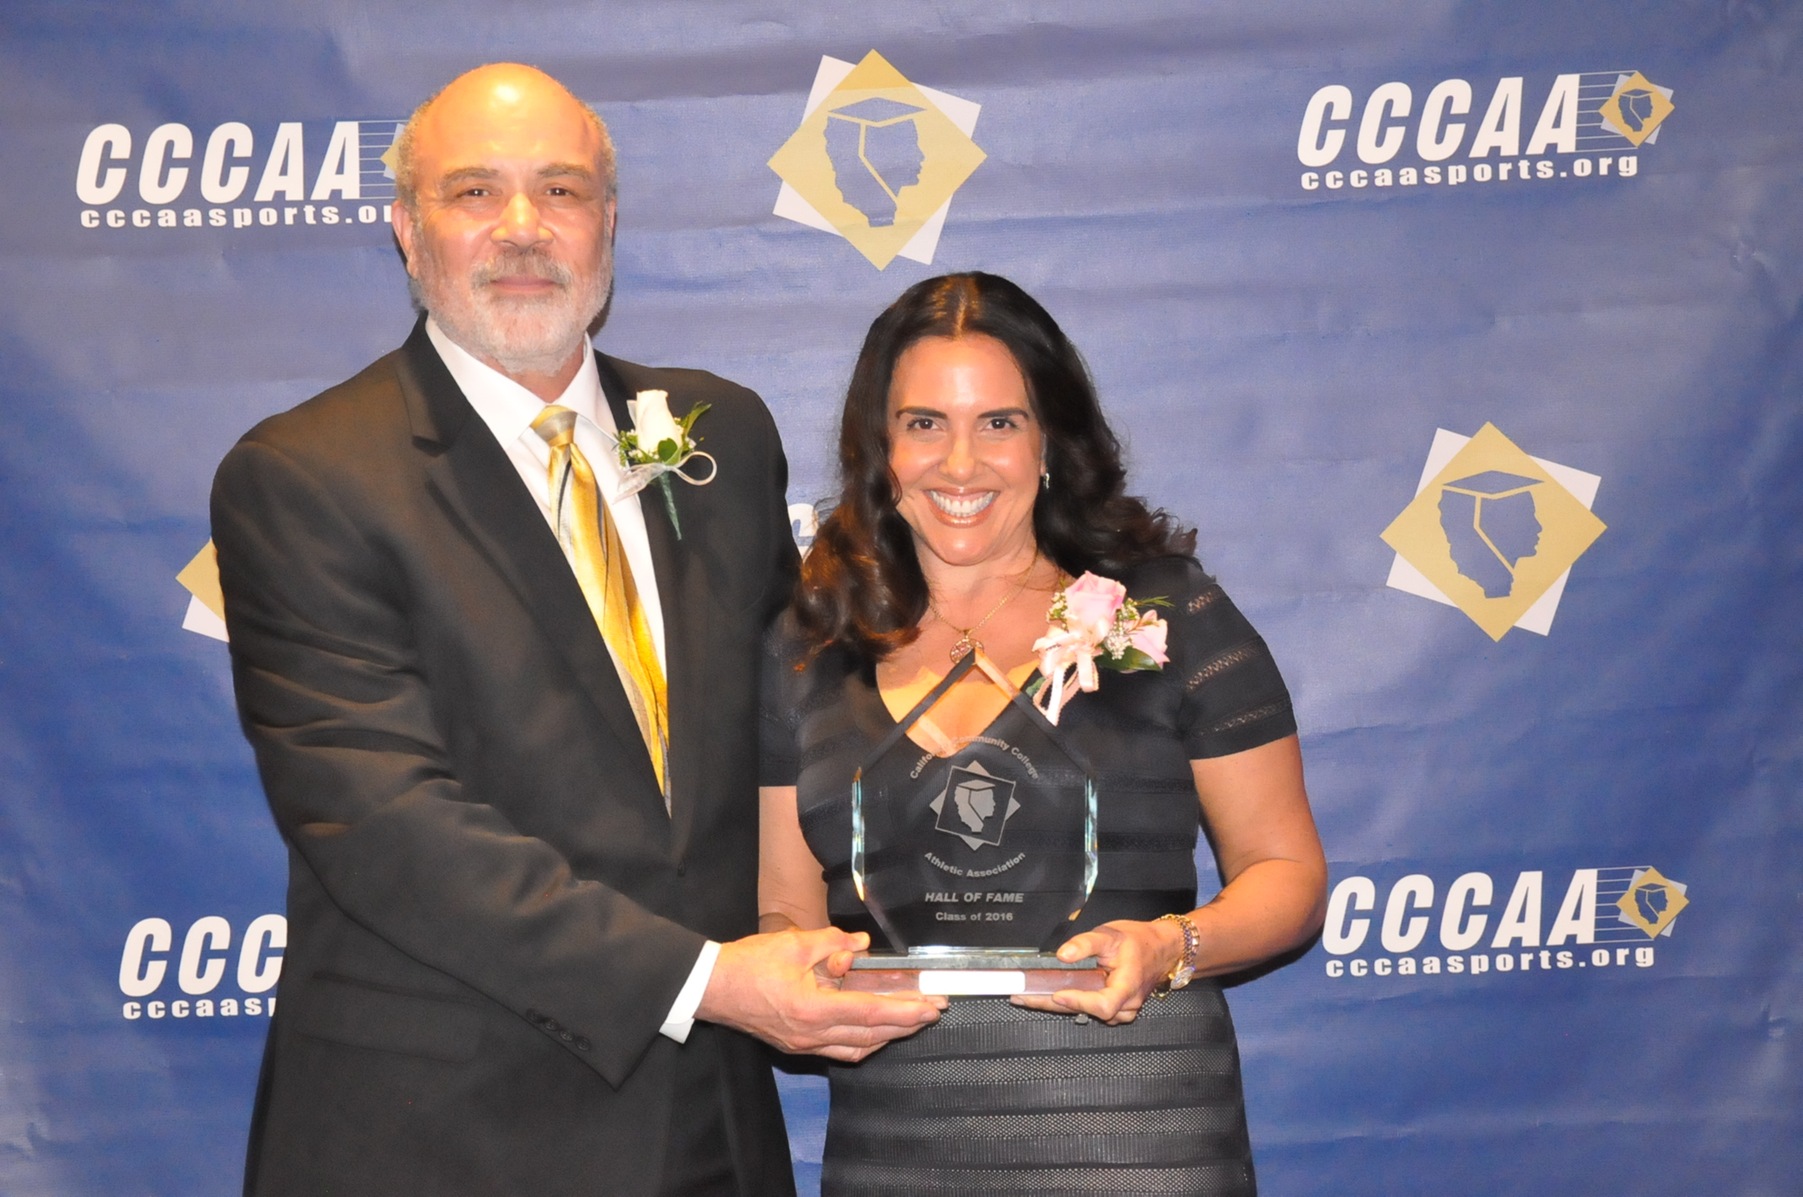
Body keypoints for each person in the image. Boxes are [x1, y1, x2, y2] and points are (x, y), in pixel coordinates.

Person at [210, 63, 940, 1197]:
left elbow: (793, 730)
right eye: (473, 192)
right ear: (406, 229)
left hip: (711, 1130)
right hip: (445, 1137)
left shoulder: (720, 434)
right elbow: (385, 824)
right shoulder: (307, 477)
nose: (522, 227)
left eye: (561, 190)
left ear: (608, 223)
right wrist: (709, 981)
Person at [759, 272, 1327, 1194]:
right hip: (900, 1143)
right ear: (879, 447)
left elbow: (1287, 874)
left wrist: (1171, 946)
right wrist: (805, 975)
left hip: (1138, 1140)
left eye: (999, 422)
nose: (960, 464)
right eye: (923, 423)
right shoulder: (810, 645)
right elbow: (783, 913)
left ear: (1049, 440)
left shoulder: (1168, 612)